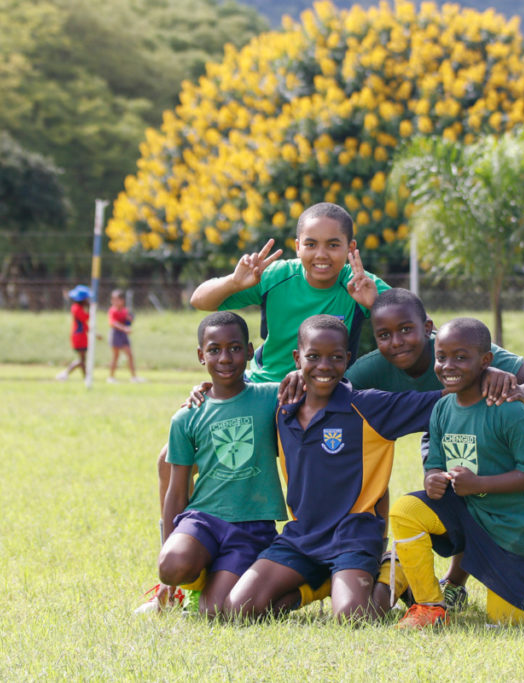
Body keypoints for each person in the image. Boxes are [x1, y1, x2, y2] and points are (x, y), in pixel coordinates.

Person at [342, 288, 524, 611]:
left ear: (428, 328)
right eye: (384, 334)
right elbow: (331, 384)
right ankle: (463, 584)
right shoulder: (374, 367)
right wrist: (299, 379)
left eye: (406, 330)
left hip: (492, 427)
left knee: (485, 505)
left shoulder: (457, 343)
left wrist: (517, 391)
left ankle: (479, 578)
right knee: (452, 497)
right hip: (442, 427)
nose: (396, 342)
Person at [155, 203, 391, 506]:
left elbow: (410, 323)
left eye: (333, 245)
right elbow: (199, 300)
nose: (321, 254)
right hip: (264, 393)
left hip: (325, 396)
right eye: (310, 244)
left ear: (350, 247)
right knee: (168, 459)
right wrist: (233, 282)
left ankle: (374, 547)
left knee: (366, 458)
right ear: (297, 246)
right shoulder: (277, 276)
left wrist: (374, 304)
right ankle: (179, 540)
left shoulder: (359, 282)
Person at [224, 315, 440, 622]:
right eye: (313, 357)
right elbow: (232, 397)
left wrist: (487, 377)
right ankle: (322, 584)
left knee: (352, 617)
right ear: (297, 358)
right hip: (302, 534)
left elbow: (443, 402)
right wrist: (204, 389)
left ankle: (393, 570)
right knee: (239, 609)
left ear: (348, 359)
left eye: (335, 358)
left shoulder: (368, 407)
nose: (324, 366)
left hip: (354, 533)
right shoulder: (282, 406)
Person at [389, 317, 524, 628]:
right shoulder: (442, 408)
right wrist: (432, 478)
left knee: (506, 621)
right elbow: (435, 461)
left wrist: (478, 484)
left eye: (461, 357)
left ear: (486, 361)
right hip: (465, 513)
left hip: (509, 528)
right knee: (405, 510)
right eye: (441, 357)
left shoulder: (508, 409)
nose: (448, 365)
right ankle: (429, 606)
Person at [139, 311, 287, 617]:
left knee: (217, 612)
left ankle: (224, 586)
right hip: (203, 520)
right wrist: (168, 547)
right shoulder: (187, 416)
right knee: (171, 566)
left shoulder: (272, 397)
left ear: (249, 352)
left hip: (252, 526)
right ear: (200, 355)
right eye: (214, 350)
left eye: (234, 348)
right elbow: (177, 492)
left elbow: (313, 391)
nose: (225, 358)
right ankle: (179, 586)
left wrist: (298, 375)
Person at [56, 285, 93, 381]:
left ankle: (86, 377)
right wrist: (90, 309)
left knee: (83, 359)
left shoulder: (78, 308)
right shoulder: (76, 308)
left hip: (82, 336)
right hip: (78, 337)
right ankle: (66, 373)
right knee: (82, 360)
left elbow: (84, 324)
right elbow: (86, 318)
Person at [107, 289, 143, 383]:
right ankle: (111, 377)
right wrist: (124, 328)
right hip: (115, 334)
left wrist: (130, 319)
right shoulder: (112, 310)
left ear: (122, 301)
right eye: (113, 299)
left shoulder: (125, 311)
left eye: (117, 300)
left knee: (130, 355)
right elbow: (112, 323)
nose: (114, 302)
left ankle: (133, 377)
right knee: (116, 356)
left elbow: (128, 321)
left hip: (123, 335)